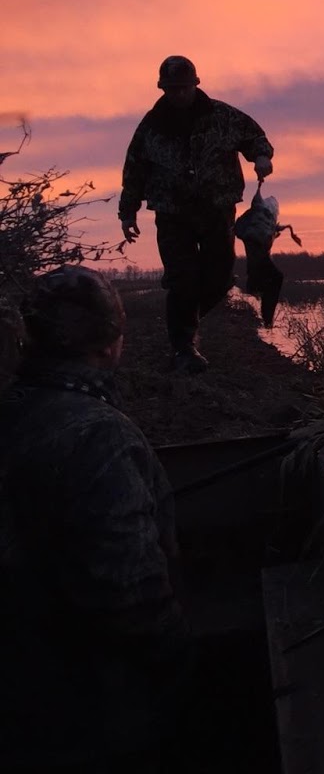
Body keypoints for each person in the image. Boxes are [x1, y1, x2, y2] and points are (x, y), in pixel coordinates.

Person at [0, 265, 191, 771]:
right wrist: (180, 654)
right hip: (80, 713)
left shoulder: (12, 411)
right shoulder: (99, 435)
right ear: (109, 346)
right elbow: (128, 593)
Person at [118, 55, 274, 373]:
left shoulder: (223, 116)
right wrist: (127, 212)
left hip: (216, 209)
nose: (178, 94)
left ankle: (185, 321)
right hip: (172, 213)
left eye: (183, 87)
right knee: (182, 279)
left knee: (220, 278)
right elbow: (134, 170)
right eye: (171, 88)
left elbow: (255, 138)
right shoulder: (151, 126)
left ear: (195, 84)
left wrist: (261, 157)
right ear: (163, 88)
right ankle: (183, 347)